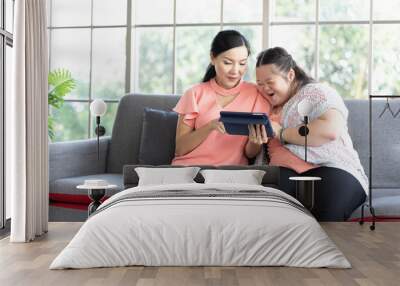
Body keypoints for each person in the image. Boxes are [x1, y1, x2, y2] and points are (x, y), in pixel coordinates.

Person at [255, 47, 367, 221]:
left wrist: (282, 133)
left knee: (325, 225)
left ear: (290, 75)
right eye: (260, 84)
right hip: (285, 175)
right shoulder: (266, 107)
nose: (264, 88)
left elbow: (329, 130)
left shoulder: (315, 92)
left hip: (330, 169)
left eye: (269, 81)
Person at [171, 30, 271, 166]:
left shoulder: (256, 94)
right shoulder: (194, 93)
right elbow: (180, 149)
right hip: (188, 169)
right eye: (228, 62)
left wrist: (255, 141)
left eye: (242, 63)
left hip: (228, 175)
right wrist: (210, 126)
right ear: (213, 58)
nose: (235, 71)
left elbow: (249, 154)